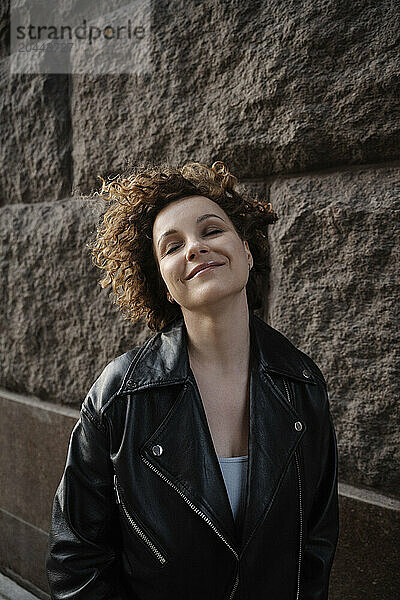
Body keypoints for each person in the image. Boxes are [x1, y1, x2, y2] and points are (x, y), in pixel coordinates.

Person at [46, 161, 339, 599]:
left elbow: (315, 548)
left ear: (246, 250)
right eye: (172, 246)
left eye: (211, 231)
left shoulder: (303, 385)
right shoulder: (119, 396)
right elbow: (76, 561)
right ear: (164, 284)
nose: (195, 248)